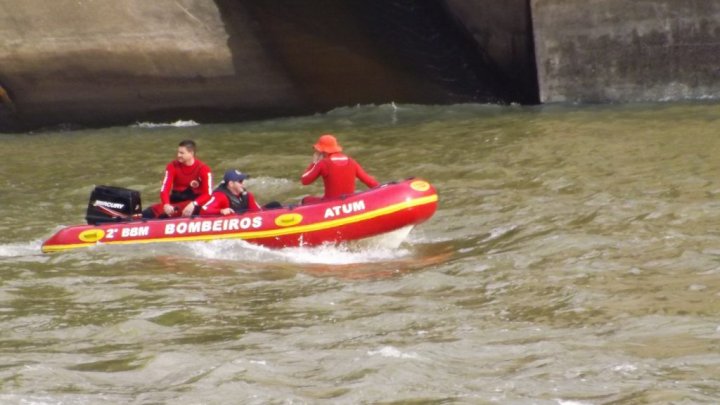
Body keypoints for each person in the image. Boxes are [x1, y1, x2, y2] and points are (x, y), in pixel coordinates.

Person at [142, 139, 213, 218]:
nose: (178, 155)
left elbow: (208, 194)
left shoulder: (203, 169)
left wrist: (194, 204)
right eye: (178, 152)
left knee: (162, 215)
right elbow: (165, 188)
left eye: (182, 153)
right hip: (176, 198)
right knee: (151, 211)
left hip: (193, 202)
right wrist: (166, 204)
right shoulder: (172, 166)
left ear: (191, 153)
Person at [300, 134, 379, 204]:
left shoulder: (323, 164)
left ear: (323, 152)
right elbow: (370, 182)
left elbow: (305, 180)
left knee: (305, 200)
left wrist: (314, 162)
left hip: (330, 203)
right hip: (349, 202)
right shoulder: (351, 161)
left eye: (318, 151)